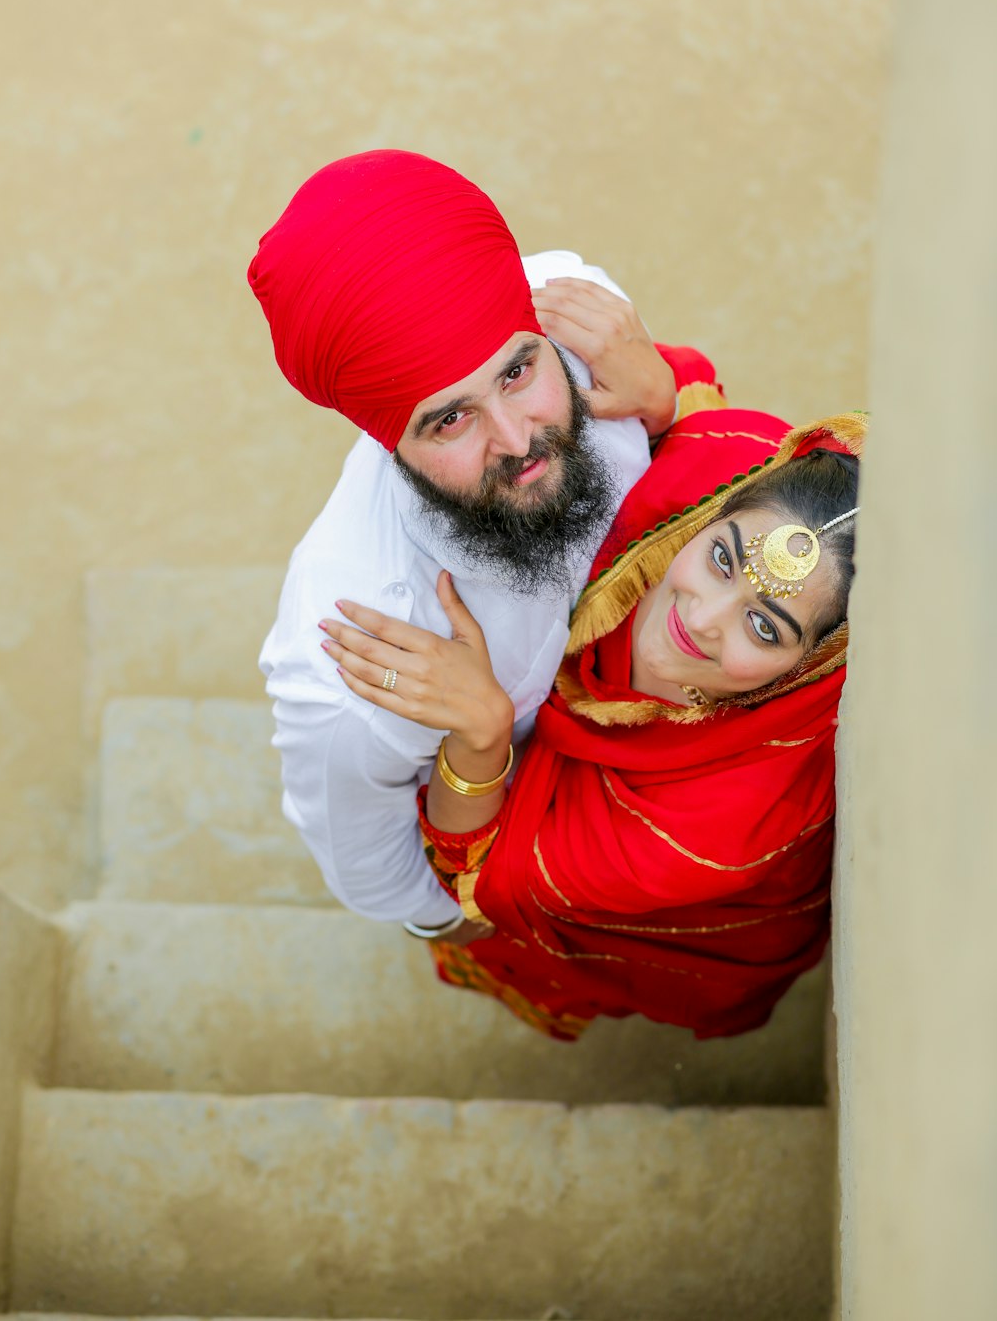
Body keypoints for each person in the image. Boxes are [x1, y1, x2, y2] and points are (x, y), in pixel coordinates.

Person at [248, 149, 720, 934]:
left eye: (515, 371)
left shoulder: (582, 326)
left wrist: (668, 398)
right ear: (388, 441)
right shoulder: (348, 676)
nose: (517, 439)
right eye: (450, 419)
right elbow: (390, 888)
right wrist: (482, 747)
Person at [318, 403, 864, 1038]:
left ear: (813, 661)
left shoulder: (714, 831)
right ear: (717, 512)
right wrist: (659, 392)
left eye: (765, 625)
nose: (703, 618)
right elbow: (688, 417)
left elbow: (490, 877)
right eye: (721, 559)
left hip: (667, 908)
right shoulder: (722, 468)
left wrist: (483, 732)